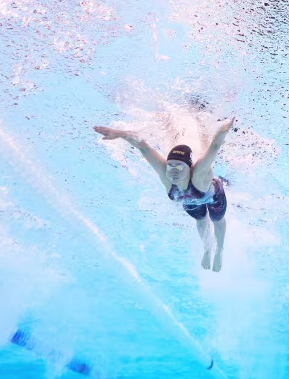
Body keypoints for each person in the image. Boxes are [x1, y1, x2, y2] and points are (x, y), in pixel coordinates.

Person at [95, 116, 234, 272]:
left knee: (217, 219)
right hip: (190, 201)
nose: (173, 171)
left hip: (211, 196)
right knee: (201, 220)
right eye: (170, 165)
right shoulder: (166, 175)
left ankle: (219, 251)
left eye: (179, 167)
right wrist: (120, 134)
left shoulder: (199, 174)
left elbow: (215, 146)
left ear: (190, 167)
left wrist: (225, 129)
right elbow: (144, 147)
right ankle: (208, 249)